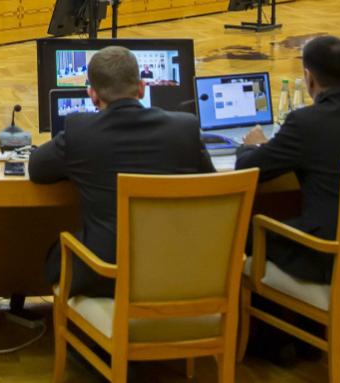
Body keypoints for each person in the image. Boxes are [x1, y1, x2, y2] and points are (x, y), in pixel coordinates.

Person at [28, 45, 214, 297]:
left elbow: (37, 169)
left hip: (106, 278)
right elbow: (213, 185)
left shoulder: (80, 132)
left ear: (93, 96)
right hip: (179, 272)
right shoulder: (185, 129)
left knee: (55, 256)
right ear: (141, 88)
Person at [236, 36, 340, 284]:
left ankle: (270, 308)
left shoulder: (305, 123)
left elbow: (248, 168)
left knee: (241, 232)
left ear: (308, 77)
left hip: (324, 254)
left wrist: (253, 145)